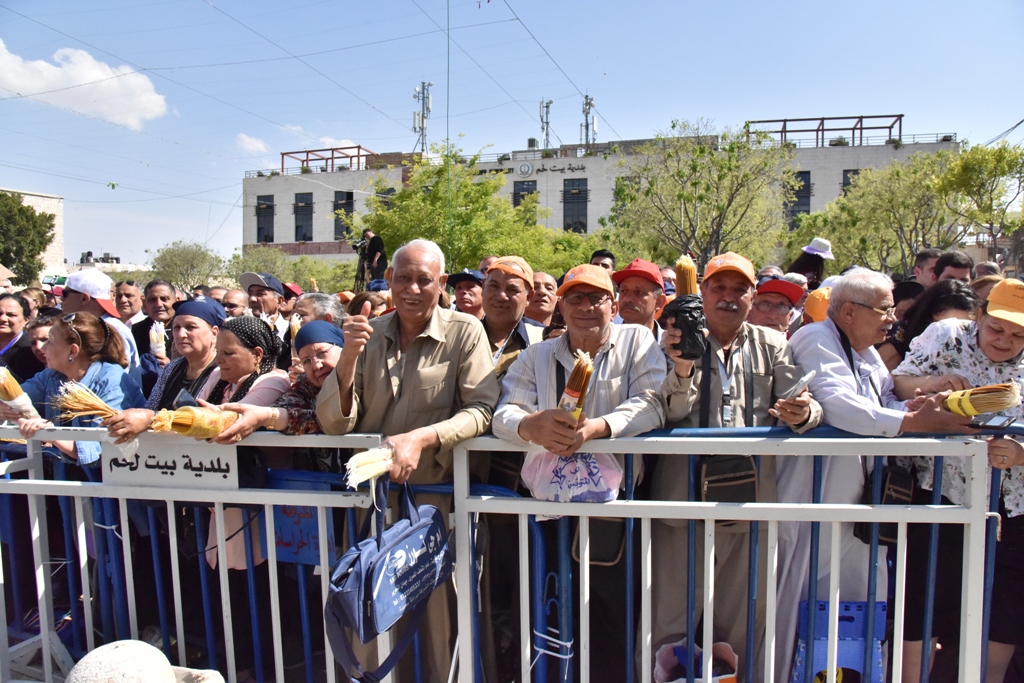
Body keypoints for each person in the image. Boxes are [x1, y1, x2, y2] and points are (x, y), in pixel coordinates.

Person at [316, 238, 498, 682]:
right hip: (373, 508)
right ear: (390, 281)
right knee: (368, 616)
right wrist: (347, 363)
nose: (412, 289)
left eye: (424, 280)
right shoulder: (367, 334)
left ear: (441, 285)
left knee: (440, 625)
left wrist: (421, 438)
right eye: (403, 278)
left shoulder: (465, 331)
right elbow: (334, 423)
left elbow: (482, 410)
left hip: (439, 507)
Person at [786, 268, 977, 683]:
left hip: (861, 506)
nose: (893, 319)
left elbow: (886, 397)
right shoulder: (814, 339)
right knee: (809, 608)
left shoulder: (867, 350)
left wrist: (924, 403)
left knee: (858, 609)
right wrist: (913, 424)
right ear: (851, 312)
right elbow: (838, 405)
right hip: (816, 501)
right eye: (885, 310)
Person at [650, 252, 821, 678]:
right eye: (719, 288)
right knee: (669, 630)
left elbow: (806, 404)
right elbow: (663, 411)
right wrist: (681, 366)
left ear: (753, 296)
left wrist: (803, 413)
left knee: (738, 632)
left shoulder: (773, 344)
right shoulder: (672, 338)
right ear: (702, 291)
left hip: (751, 510)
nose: (728, 298)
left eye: (739, 290)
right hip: (680, 508)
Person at [494, 263, 666, 683]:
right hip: (548, 511)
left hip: (615, 510)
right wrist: (528, 426)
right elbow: (504, 412)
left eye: (597, 298)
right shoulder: (537, 354)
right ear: (559, 305)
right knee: (548, 610)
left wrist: (598, 428)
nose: (586, 307)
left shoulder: (637, 340)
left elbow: (652, 402)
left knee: (611, 617)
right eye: (575, 297)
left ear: (614, 304)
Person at [890, 277, 1024, 683]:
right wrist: (931, 385)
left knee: (1003, 615)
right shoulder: (945, 335)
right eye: (996, 328)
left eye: (1018, 335)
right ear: (979, 315)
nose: (1004, 340)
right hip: (940, 493)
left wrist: (1022, 454)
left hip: (1013, 507)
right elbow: (899, 381)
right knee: (923, 605)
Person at [0, 311, 145, 466]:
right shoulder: (52, 375)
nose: (42, 348)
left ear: (73, 351)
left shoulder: (112, 381)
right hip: (72, 482)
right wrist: (4, 407)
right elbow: (17, 397)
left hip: (116, 481)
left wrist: (51, 433)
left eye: (49, 341)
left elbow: (101, 449)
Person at [212, 320, 346, 471]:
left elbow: (327, 419)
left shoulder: (366, 380)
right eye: (306, 361)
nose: (317, 365)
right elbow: (286, 406)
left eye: (322, 353)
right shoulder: (307, 385)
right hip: (319, 484)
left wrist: (267, 416)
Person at [103, 297, 225, 442]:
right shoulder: (172, 368)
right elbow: (152, 406)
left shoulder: (223, 369)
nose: (181, 334)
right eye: (176, 327)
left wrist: (151, 419)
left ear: (214, 332)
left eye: (190, 327)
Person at [876, 279, 979, 371]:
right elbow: (883, 385)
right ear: (927, 320)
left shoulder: (982, 343)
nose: (952, 333)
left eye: (963, 326)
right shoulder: (900, 336)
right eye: (944, 327)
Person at [63, 269, 142, 387]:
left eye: (65, 294)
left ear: (84, 298)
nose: (61, 299)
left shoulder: (111, 329)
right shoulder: (103, 325)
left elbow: (112, 383)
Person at [480, 256, 542, 380]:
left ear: (528, 297)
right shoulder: (462, 335)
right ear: (483, 287)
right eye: (494, 286)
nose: (501, 296)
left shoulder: (543, 339)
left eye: (512, 289)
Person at [239, 272, 292, 370]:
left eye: (260, 294)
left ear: (280, 301)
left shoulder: (291, 332)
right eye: (250, 293)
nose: (252, 299)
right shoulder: (240, 332)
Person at [612, 258, 667, 339]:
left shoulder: (671, 347)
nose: (627, 299)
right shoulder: (603, 344)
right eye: (624, 291)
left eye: (639, 292)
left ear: (659, 301)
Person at [0, 294, 44, 382]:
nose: (3, 318)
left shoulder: (31, 350)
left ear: (26, 319)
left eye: (11, 315)